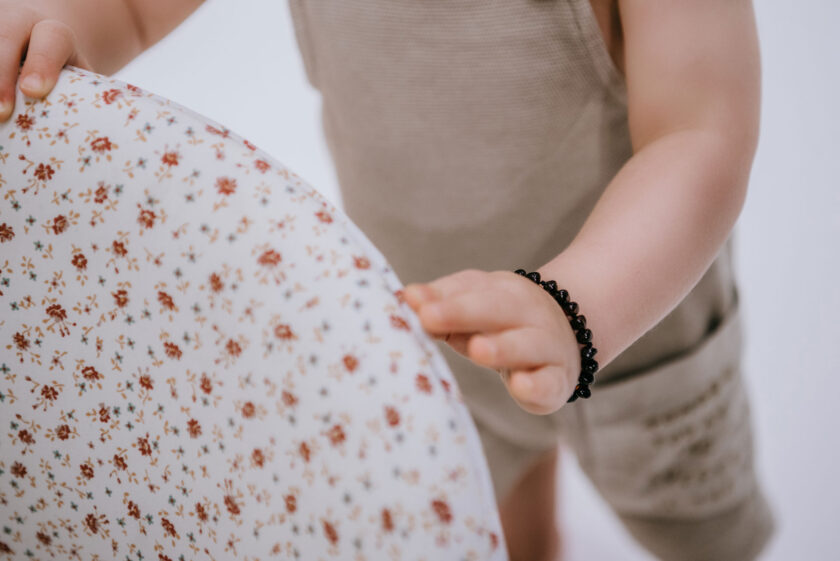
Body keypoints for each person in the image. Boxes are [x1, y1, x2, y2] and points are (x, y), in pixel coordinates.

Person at [0, 1, 775, 559]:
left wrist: (573, 306)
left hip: (639, 341)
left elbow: (700, 131)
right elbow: (135, 9)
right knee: (490, 514)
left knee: (704, 531)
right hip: (439, 323)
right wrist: (56, 23)